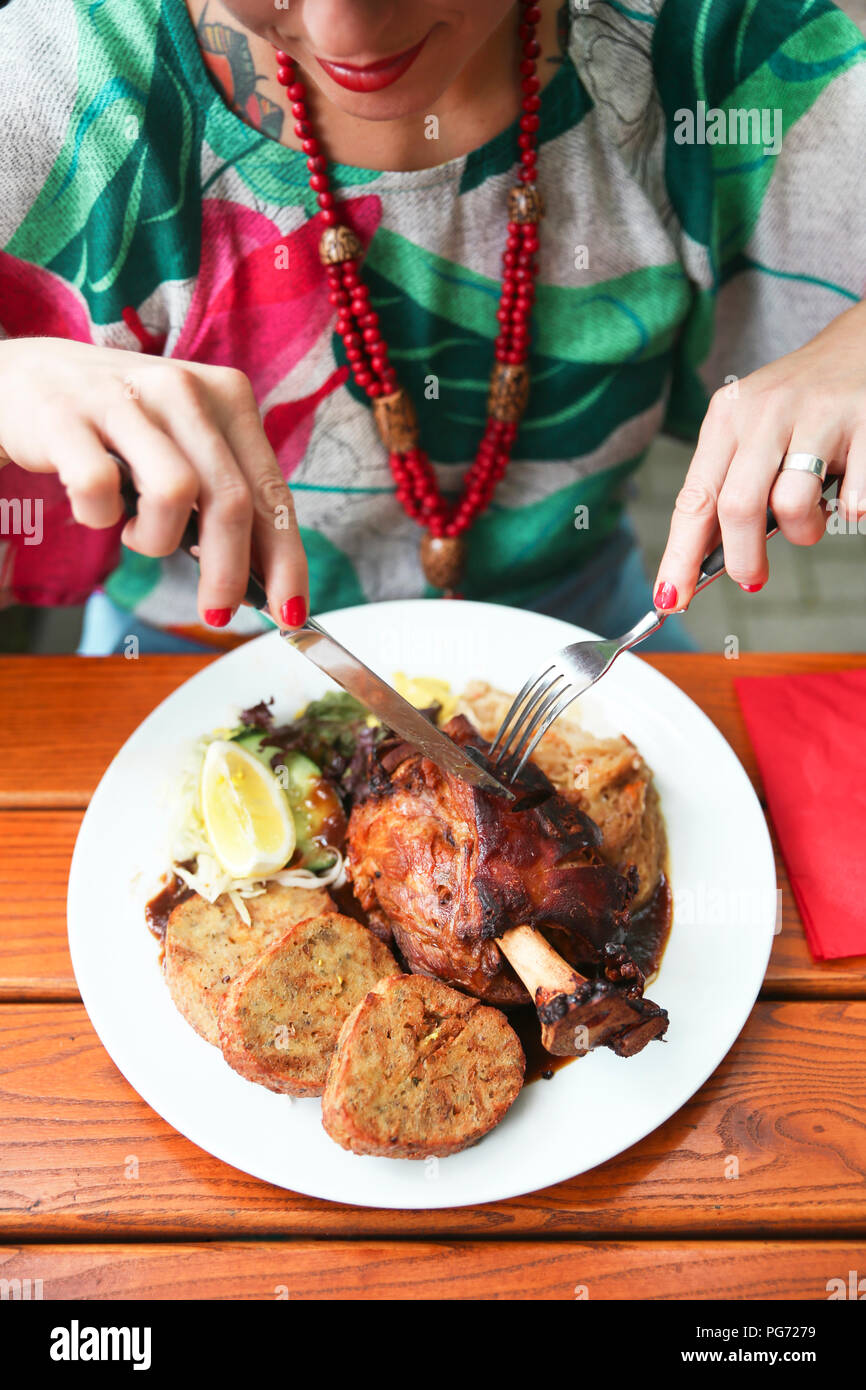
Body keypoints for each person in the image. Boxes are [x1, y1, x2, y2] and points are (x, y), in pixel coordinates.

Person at [0, 0, 863, 655]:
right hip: (179, 657)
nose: (346, 31)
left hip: (584, 642)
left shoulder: (712, 42)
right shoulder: (52, 80)